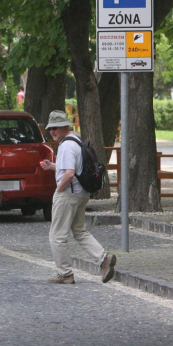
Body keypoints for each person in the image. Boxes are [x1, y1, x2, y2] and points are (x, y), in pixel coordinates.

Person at [39, 110, 116, 284]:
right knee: (80, 231)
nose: (52, 131)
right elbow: (72, 167)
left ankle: (65, 274)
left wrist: (58, 191)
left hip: (68, 195)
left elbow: (69, 173)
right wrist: (52, 166)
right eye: (51, 128)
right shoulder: (76, 141)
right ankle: (104, 259)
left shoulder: (65, 146)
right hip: (81, 194)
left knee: (57, 236)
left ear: (66, 126)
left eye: (56, 128)